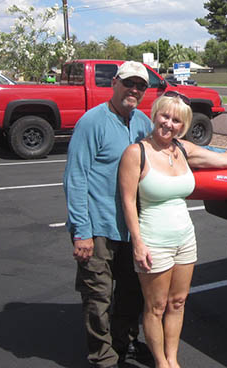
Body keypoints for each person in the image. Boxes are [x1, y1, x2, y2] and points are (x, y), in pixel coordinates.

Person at [118, 92, 227, 368]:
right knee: (155, 307)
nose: (169, 124)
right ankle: (160, 362)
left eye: (176, 120)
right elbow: (127, 203)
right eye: (165, 116)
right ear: (155, 114)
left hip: (185, 239)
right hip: (153, 241)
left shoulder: (183, 149)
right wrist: (138, 243)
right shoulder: (137, 153)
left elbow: (221, 159)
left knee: (178, 302)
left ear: (183, 125)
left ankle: (173, 359)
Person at [64, 60, 154, 368]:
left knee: (132, 293)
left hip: (132, 228)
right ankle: (102, 357)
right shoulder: (92, 122)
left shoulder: (143, 123)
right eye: (129, 82)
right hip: (98, 228)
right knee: (98, 296)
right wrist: (81, 231)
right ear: (114, 82)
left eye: (140, 85)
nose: (134, 89)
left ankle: (124, 342)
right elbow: (75, 178)